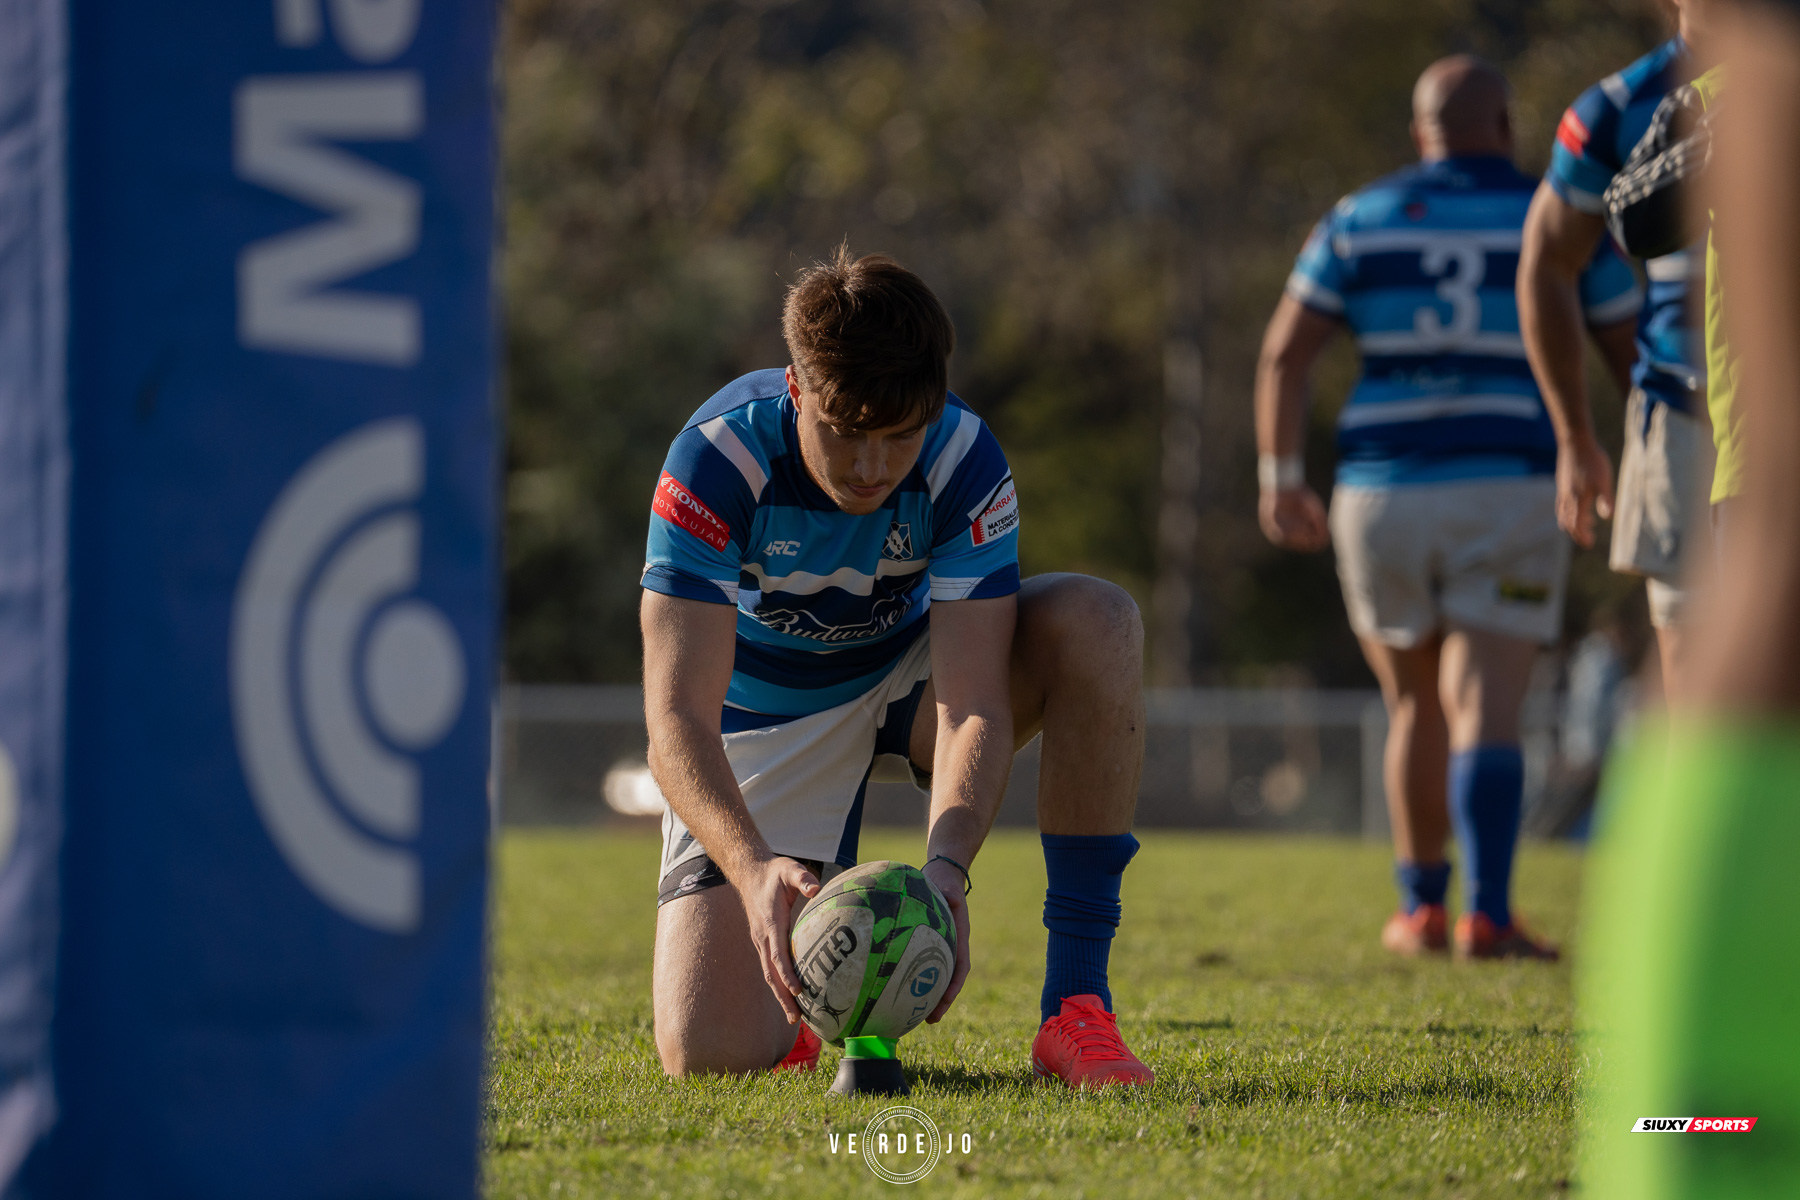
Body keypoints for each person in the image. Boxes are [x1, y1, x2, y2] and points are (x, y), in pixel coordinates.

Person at [640, 246, 1153, 1087]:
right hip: (770, 717)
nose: (875, 467)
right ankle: (800, 1021)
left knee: (1099, 619)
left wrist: (948, 865)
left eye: (899, 436)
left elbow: (973, 700)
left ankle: (1077, 1010)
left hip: (910, 685)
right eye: (847, 434)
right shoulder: (714, 461)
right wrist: (752, 864)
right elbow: (676, 722)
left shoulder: (964, 457)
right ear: (799, 391)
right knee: (708, 1056)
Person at [1256, 56, 1640, 959]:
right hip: (1507, 481)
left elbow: (1284, 354)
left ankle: (1420, 908)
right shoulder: (1557, 210)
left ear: (1420, 130)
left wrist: (1280, 474)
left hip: (1381, 491)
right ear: (1505, 126)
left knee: (1413, 707)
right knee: (1487, 706)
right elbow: (1627, 342)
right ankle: (1490, 915)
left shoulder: (1358, 216)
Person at [1579, 2, 1800, 1195]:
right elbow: (1636, 214)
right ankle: (1707, 1127)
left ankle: (1704, 1126)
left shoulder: (1750, 88)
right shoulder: (1720, 95)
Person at [1517, 1, 1711, 697]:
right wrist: (1574, 435)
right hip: (1687, 413)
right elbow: (1545, 261)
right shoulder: (1619, 106)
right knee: (1700, 684)